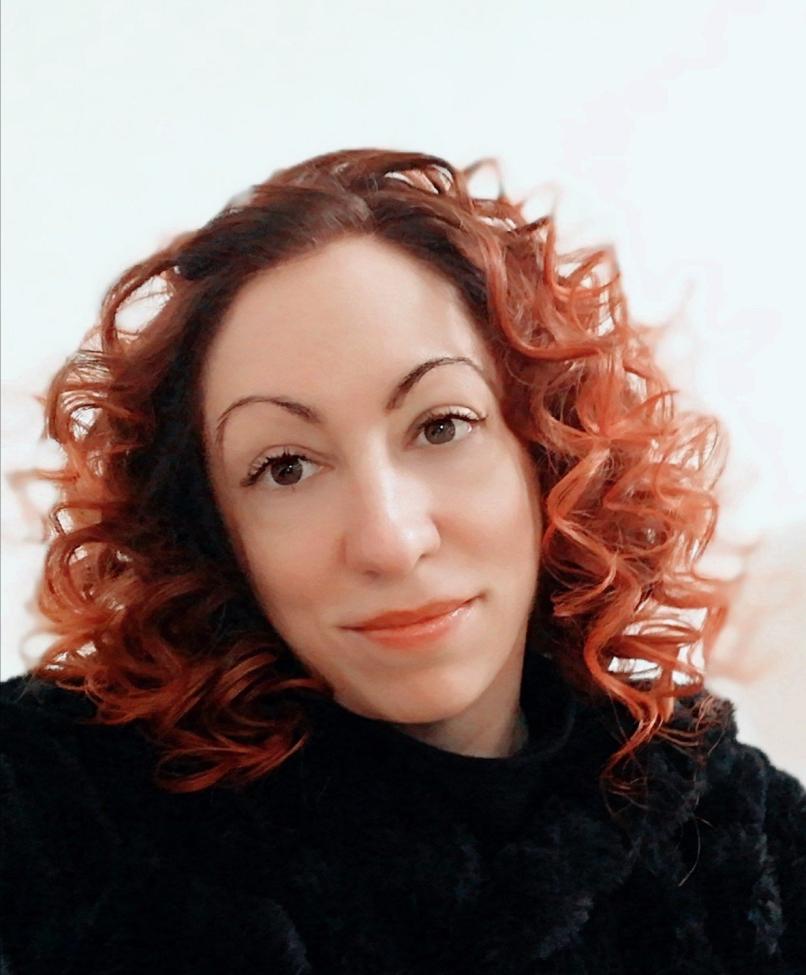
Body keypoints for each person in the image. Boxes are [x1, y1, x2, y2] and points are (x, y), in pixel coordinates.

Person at [1, 148, 803, 974]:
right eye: (286, 467)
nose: (388, 539)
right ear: (211, 530)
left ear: (549, 450)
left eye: (442, 425)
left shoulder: (739, 826)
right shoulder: (50, 804)